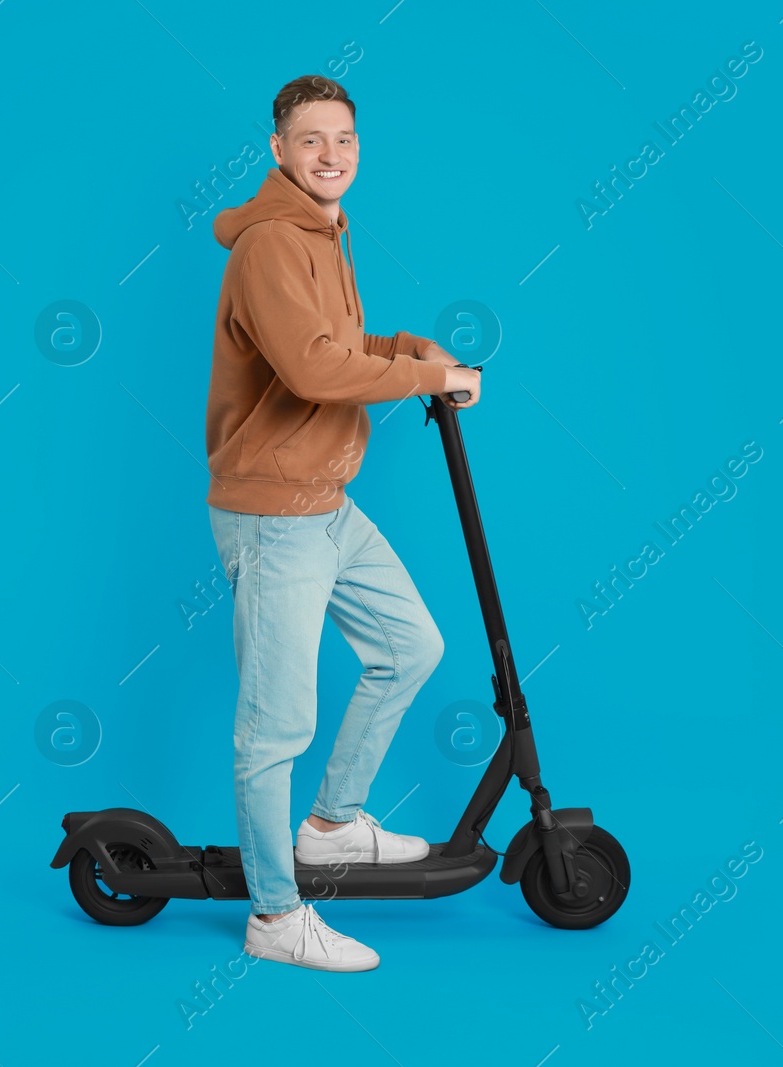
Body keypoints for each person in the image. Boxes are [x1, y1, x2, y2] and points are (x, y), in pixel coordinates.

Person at [202, 74, 483, 972]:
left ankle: (328, 828)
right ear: (278, 149)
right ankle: (275, 917)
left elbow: (343, 345)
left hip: (327, 500)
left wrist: (410, 350)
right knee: (274, 727)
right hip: (273, 512)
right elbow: (314, 372)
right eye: (313, 140)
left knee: (411, 646)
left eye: (346, 141)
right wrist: (431, 381)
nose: (332, 156)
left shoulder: (327, 231)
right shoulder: (271, 245)